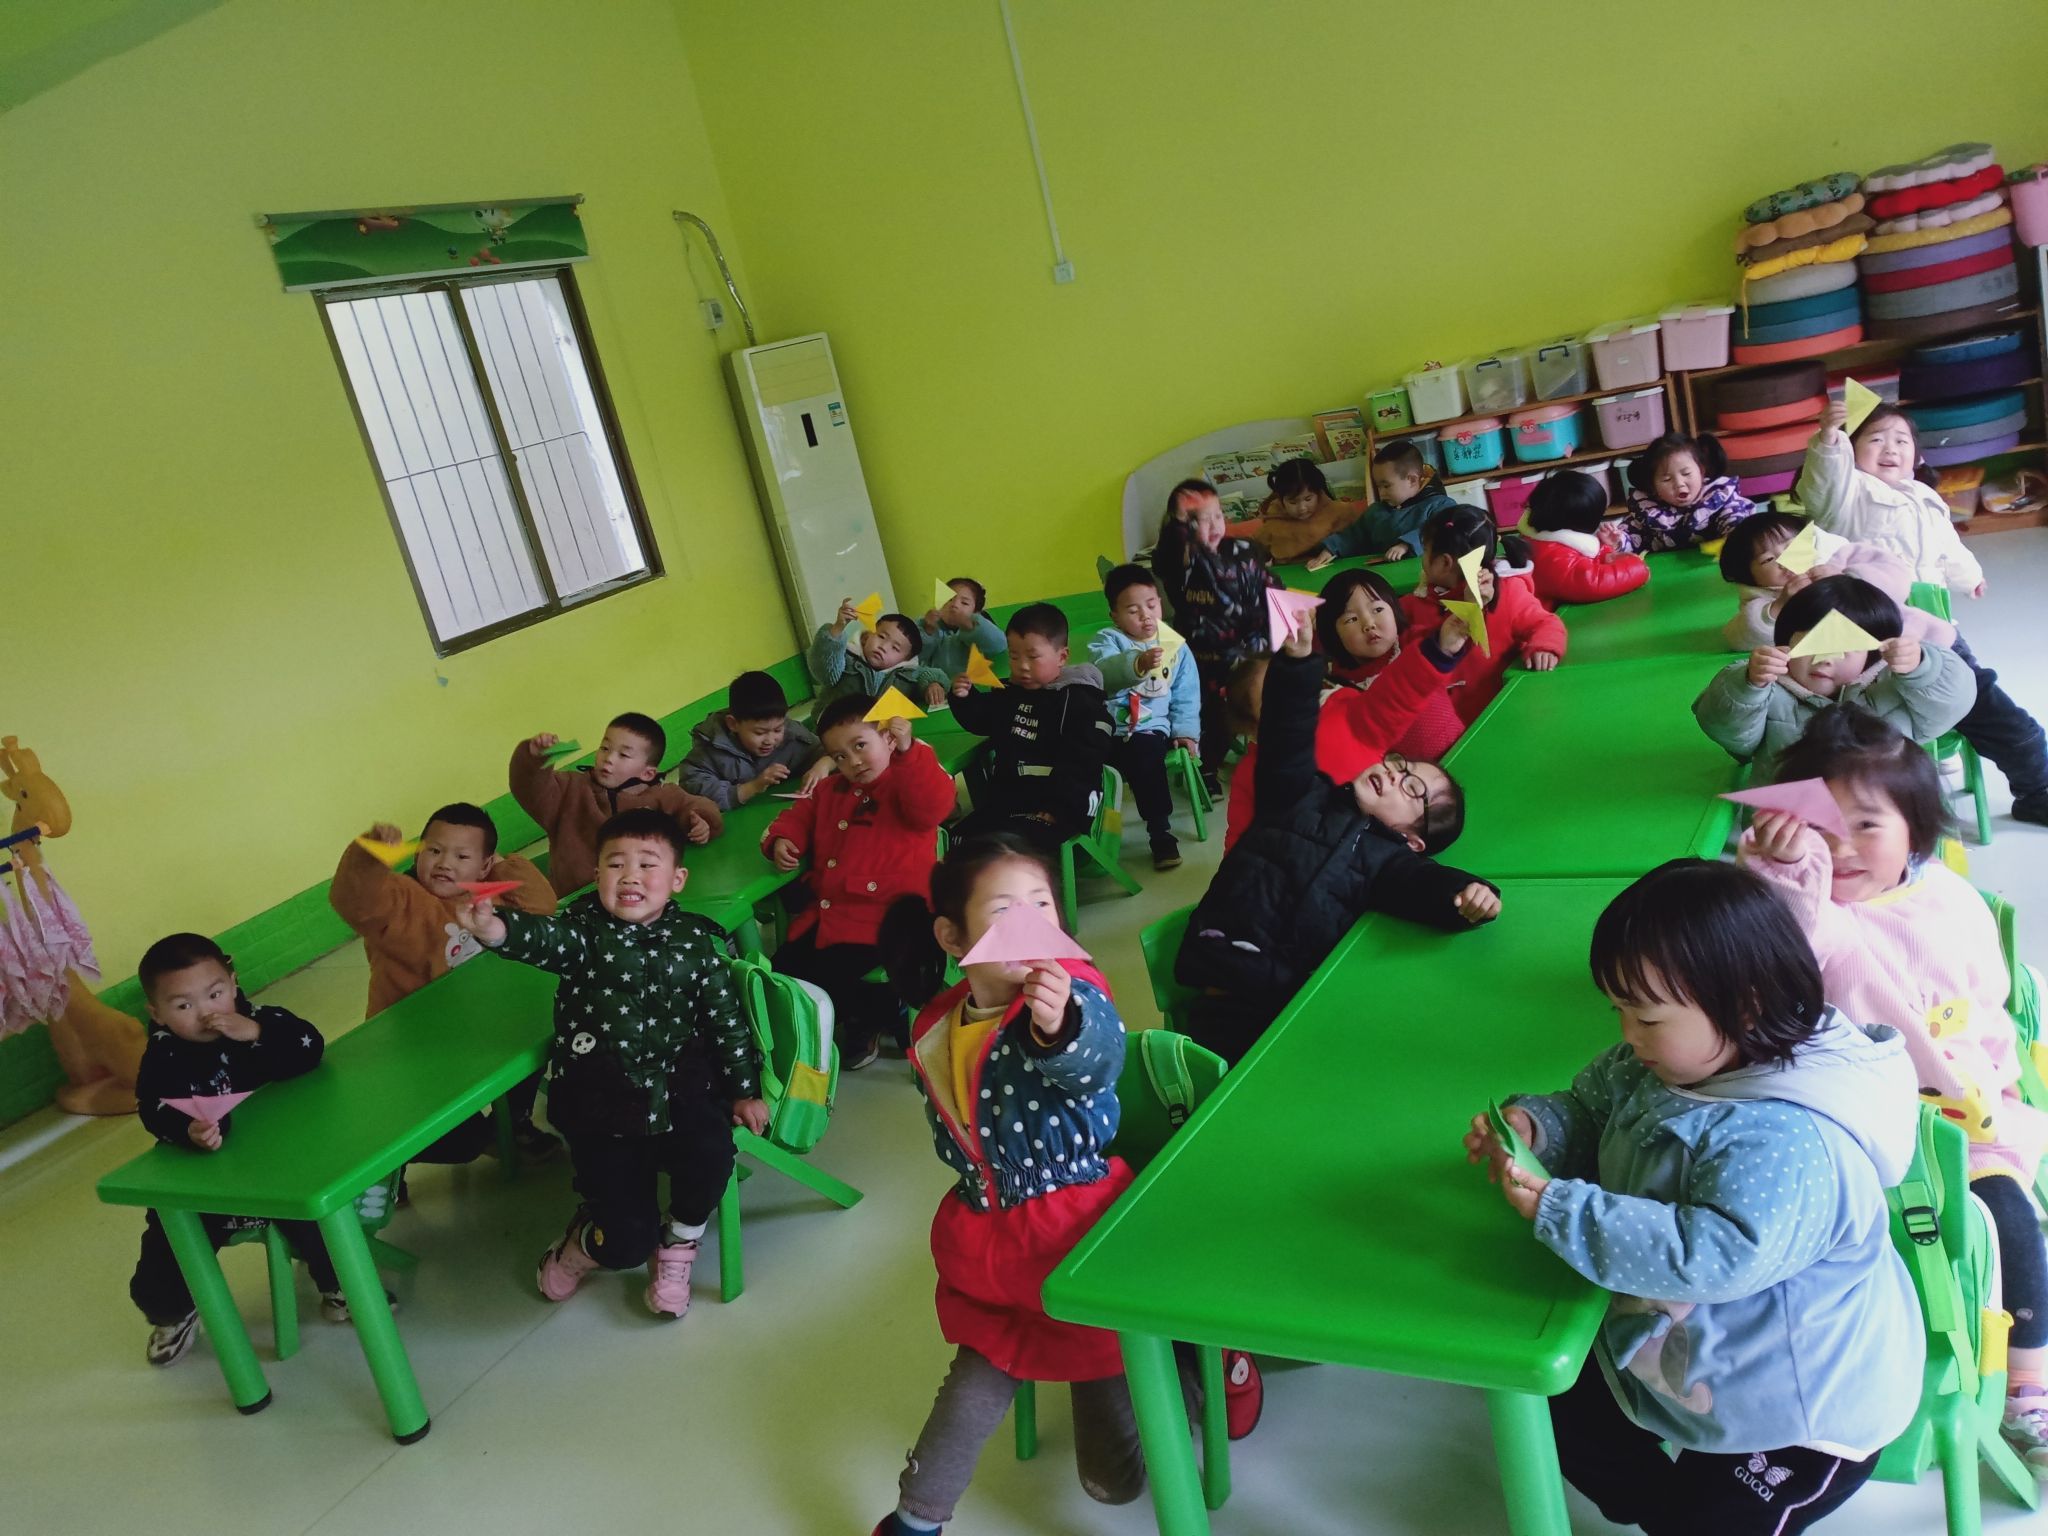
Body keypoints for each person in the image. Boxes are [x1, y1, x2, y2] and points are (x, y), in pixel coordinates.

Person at [1464, 858, 1922, 1535]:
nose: (1626, 1034)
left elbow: (1715, 1255)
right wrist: (1541, 1126)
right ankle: (1665, 1509)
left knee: (1715, 1521)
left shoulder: (1789, 1138)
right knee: (1555, 1408)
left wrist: (1567, 1212)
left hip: (1800, 1406)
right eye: (1618, 1010)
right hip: (1694, 1347)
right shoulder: (1664, 1060)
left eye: (1646, 1016)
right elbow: (1590, 1111)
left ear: (1746, 1005)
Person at [1738, 707, 2048, 1473]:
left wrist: (1984, 1072)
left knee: (2010, 1220)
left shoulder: (1945, 896)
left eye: (1867, 825)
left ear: (1916, 828)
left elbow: (1987, 995)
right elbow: (1798, 943)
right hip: (1840, 1122)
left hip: (1954, 1114)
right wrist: (1784, 876)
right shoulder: (1806, 911)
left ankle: (2028, 1379)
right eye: (1818, 827)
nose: (1841, 846)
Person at [867, 835, 1160, 1532]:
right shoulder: (940, 1021)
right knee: (976, 1371)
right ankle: (914, 1519)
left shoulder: (1073, 992)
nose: (1029, 924)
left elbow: (1098, 1057)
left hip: (1075, 1232)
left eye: (1042, 905)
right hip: (987, 1241)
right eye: (1004, 911)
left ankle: (1197, 1362)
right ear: (952, 937)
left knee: (1111, 1481)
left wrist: (1058, 1026)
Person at [456, 809, 766, 1320]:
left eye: (647, 864)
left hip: (681, 1090)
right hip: (600, 1097)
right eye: (616, 864)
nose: (630, 877)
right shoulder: (583, 934)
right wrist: (494, 928)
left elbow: (726, 1020)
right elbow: (544, 940)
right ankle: (583, 1243)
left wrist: (743, 1090)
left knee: (711, 1159)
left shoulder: (696, 942)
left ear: (677, 879)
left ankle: (679, 1243)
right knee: (623, 1244)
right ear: (596, 874)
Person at [1177, 608, 1498, 1063]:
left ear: (1413, 841)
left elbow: (1424, 884)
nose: (1394, 774)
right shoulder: (1300, 794)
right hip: (1225, 983)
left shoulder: (1389, 862)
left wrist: (1469, 892)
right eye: (1401, 766)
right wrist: (1298, 663)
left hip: (1293, 1002)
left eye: (1412, 789)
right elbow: (1288, 736)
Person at [1716, 510, 2048, 823]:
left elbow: (1898, 576)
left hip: (1930, 656)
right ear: (1750, 577)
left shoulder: (1841, 558)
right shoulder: (1765, 601)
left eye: (1793, 547)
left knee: (2006, 724)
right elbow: (1741, 635)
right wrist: (1780, 606)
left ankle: (2036, 790)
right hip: (1858, 689)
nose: (1787, 562)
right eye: (1769, 560)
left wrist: (1849, 578)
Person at [130, 934, 350, 1366]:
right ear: (156, 1013)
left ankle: (341, 1284)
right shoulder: (163, 1055)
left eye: (215, 995)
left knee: (317, 1218)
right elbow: (152, 1107)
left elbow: (311, 1049)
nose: (205, 1012)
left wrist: (257, 1034)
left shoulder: (261, 1020)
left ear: (233, 983)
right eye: (183, 1005)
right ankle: (174, 1312)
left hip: (281, 1166)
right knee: (169, 1241)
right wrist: (187, 1130)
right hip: (209, 1181)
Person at [329, 802, 561, 1164]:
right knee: (460, 1142)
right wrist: (368, 856)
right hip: (413, 1044)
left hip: (473, 1025)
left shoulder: (488, 895)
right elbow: (355, 901)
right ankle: (392, 1165)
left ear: (484, 865)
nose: (444, 863)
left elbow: (542, 904)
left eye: (462, 856)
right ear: (418, 854)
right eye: (434, 851)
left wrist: (499, 864)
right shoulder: (401, 901)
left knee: (529, 1044)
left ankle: (513, 1123)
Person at [763, 693, 957, 1069]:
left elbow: (934, 805)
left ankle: (876, 1013)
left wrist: (910, 751)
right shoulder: (830, 790)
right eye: (839, 756)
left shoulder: (907, 780)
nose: (852, 761)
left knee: (829, 978)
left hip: (894, 920)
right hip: (832, 915)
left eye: (860, 746)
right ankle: (865, 1012)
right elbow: (799, 814)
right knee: (780, 972)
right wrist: (783, 839)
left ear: (888, 738)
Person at [1219, 583, 1470, 849]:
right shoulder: (1253, 772)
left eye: (1293, 684)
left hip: (1398, 842)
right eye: (1276, 702)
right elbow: (1241, 844)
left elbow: (1399, 693)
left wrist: (1440, 650)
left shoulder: (1341, 712)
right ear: (1254, 730)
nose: (1292, 699)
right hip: (1325, 863)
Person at [1692, 573, 1974, 783]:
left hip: (1880, 820)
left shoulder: (1895, 689)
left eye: (1845, 648)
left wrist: (1923, 668)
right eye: (1812, 642)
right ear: (1787, 640)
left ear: (1872, 655)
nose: (1824, 659)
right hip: (1789, 823)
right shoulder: (1768, 690)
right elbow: (1723, 728)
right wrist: (1747, 684)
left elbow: (1953, 704)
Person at [949, 602, 1113, 854]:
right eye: (1014, 656)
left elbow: (1084, 762)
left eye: (1033, 657)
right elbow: (980, 720)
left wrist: (1059, 809)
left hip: (1058, 808)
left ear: (1062, 657)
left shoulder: (1079, 702)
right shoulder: (1009, 693)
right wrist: (964, 697)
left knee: (998, 850)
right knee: (954, 842)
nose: (1022, 665)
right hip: (1008, 804)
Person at [509, 713, 721, 896]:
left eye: (624, 754)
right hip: (576, 900)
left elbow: (696, 806)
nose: (608, 758)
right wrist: (534, 759)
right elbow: (529, 788)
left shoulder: (661, 796)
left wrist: (701, 821)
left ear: (647, 773)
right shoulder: (570, 789)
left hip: (635, 897)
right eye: (604, 748)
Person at [1798, 399, 1984, 597]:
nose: (1891, 449)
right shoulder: (1847, 489)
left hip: (1927, 601)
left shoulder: (1926, 495)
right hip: (1868, 603)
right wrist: (1829, 440)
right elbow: (1825, 476)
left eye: (1901, 441)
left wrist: (1971, 579)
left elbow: (1949, 545)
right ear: (1851, 448)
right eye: (1876, 440)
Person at [1401, 505, 1567, 723]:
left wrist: (1544, 647)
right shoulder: (1416, 601)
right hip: (1440, 721)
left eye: (1426, 551)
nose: (1422, 560)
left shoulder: (1507, 592)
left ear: (1445, 562)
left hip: (1497, 717)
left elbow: (1545, 623)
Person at [1088, 564, 1200, 870]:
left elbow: (1187, 695)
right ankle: (1086, 831)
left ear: (1160, 603)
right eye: (1133, 610)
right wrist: (1136, 663)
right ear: (1115, 616)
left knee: (1145, 757)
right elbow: (1101, 674)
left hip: (1150, 729)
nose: (1145, 616)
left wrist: (1186, 732)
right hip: (1108, 728)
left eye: (1151, 605)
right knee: (1080, 759)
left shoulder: (1175, 646)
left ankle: (1160, 832)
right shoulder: (1107, 640)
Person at [1176, 485, 1281, 796]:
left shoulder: (1243, 553)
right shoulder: (1188, 565)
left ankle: (1268, 758)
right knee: (1214, 719)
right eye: (1202, 520)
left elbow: (1272, 593)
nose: (1214, 526)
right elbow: (1195, 622)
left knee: (1267, 703)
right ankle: (1206, 768)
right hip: (1207, 663)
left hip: (1250, 655)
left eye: (1219, 516)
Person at [676, 670, 826, 809]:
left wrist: (822, 766)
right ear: (733, 724)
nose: (770, 740)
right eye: (760, 733)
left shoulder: (792, 734)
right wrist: (752, 787)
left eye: (777, 730)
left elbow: (830, 749)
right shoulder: (712, 748)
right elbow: (690, 787)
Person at [1304, 440, 1457, 570]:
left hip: (1425, 578)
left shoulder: (1441, 505)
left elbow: (1441, 531)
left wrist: (1406, 545)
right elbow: (1353, 536)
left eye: (1386, 485)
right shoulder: (1376, 511)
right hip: (1384, 578)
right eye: (1378, 486)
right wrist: (1331, 550)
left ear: (1412, 480)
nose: (1381, 493)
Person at [1520, 470, 1650, 604]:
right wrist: (1638, 569)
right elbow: (1592, 582)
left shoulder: (1541, 539)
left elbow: (1580, 561)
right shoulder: (1552, 558)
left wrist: (1605, 552)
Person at [1618, 432, 1758, 553]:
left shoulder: (1717, 498)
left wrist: (1735, 532)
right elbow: (1632, 535)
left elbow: (1734, 517)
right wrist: (1618, 540)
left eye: (1686, 473)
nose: (1679, 483)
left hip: (1715, 567)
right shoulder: (1648, 512)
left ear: (1701, 471)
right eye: (1667, 479)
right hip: (1666, 572)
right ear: (1653, 487)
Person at [809, 599, 950, 710]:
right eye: (881, 637)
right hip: (833, 730)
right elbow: (823, 671)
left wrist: (933, 684)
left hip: (877, 733)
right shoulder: (845, 658)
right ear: (868, 636)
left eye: (895, 648)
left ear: (905, 660)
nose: (883, 647)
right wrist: (837, 630)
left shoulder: (906, 673)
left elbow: (928, 674)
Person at [1241, 457, 1370, 564]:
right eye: (1293, 502)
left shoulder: (1340, 512)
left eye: (1308, 499)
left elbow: (1356, 543)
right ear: (1281, 499)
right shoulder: (1273, 521)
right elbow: (1257, 551)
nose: (1302, 508)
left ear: (1318, 493)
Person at [920, 578, 1007, 705]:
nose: (954, 605)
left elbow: (999, 644)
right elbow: (915, 660)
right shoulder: (929, 627)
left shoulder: (978, 630)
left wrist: (970, 625)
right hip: (938, 701)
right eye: (949, 599)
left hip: (971, 698)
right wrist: (927, 631)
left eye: (964, 603)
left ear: (976, 611)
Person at [1149, 477, 1213, 624]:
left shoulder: (1179, 524)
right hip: (1181, 581)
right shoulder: (1177, 532)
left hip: (1177, 581)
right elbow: (1185, 561)